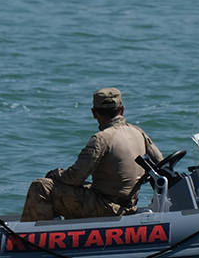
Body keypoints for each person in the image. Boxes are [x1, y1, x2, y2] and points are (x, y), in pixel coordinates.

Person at [20, 88, 163, 221]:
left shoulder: (101, 139)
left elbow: (75, 178)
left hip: (107, 208)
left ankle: (30, 235)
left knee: (41, 186)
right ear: (122, 110)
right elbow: (160, 162)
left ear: (94, 113)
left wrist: (55, 174)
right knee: (85, 187)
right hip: (129, 205)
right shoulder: (139, 132)